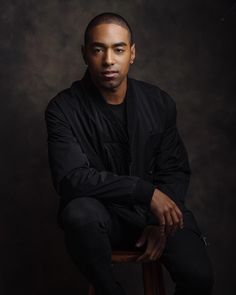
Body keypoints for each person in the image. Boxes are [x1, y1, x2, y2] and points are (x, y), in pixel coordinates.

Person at [45, 12, 214, 295]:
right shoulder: (62, 109)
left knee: (198, 278)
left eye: (119, 49)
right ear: (84, 53)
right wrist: (143, 191)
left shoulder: (159, 102)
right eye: (98, 49)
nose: (108, 60)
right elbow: (71, 179)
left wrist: (158, 223)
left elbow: (174, 170)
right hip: (103, 218)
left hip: (155, 214)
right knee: (78, 213)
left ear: (132, 54)